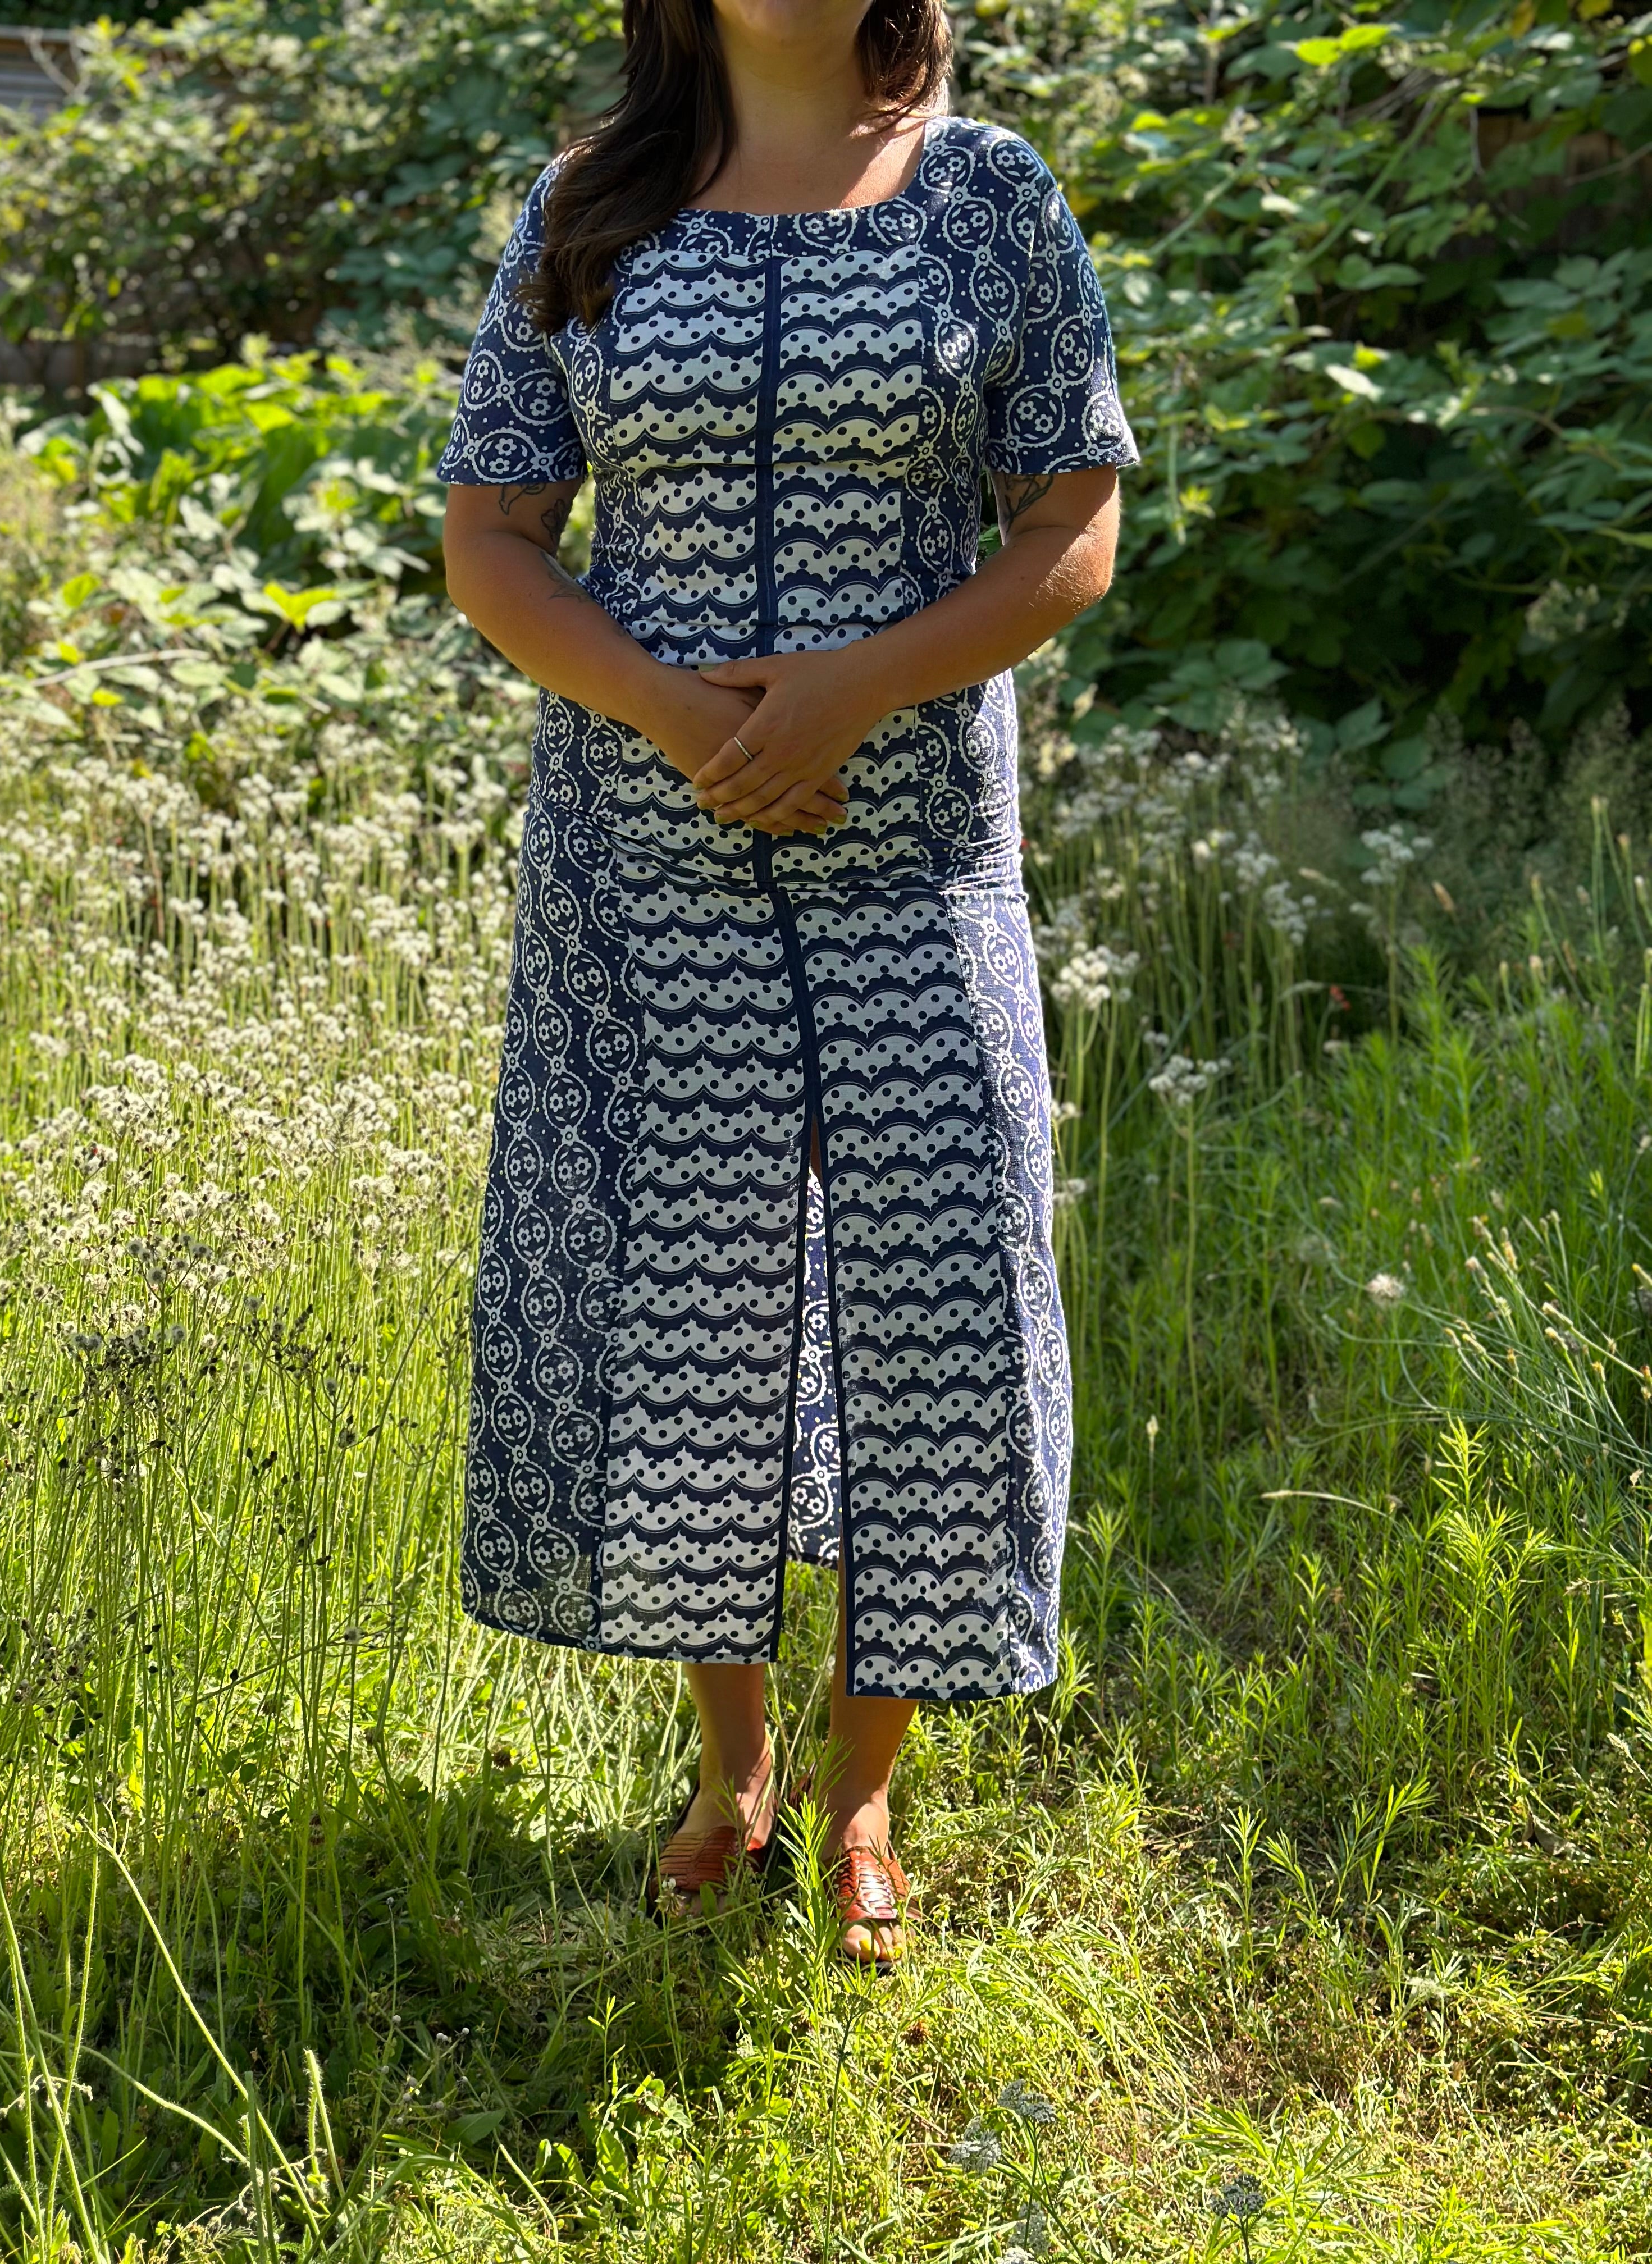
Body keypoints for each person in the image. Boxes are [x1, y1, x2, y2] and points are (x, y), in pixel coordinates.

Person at [437, 0, 1137, 1967]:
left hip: (911, 842)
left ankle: (864, 1795)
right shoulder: (590, 203)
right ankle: (730, 1775)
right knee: (696, 1296)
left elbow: (1074, 525)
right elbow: (492, 538)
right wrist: (676, 715)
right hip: (646, 859)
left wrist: (846, 688)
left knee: (933, 1298)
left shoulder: (987, 194)